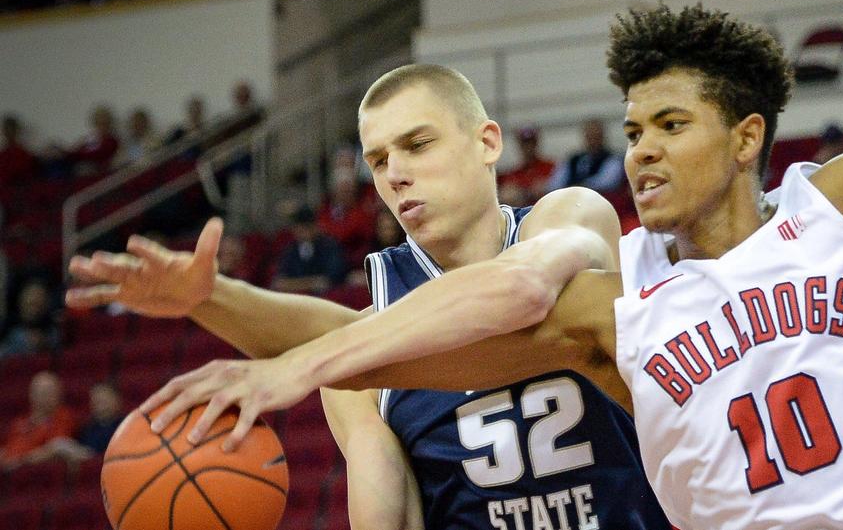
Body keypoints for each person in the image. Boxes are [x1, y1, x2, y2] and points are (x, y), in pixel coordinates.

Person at [69, 0, 843, 528]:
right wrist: (238, 319)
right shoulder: (616, 305)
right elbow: (387, 343)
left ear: (746, 138)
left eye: (670, 124)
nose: (639, 148)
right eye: (631, 128)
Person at [70, 65, 669, 530]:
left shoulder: (571, 215)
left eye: (418, 143)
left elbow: (519, 290)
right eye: (378, 160)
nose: (395, 174)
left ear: (488, 142)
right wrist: (208, 298)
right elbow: (391, 513)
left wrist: (301, 364)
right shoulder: (363, 357)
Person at [0, 372, 78, 470]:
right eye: (37, 392)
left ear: (59, 394)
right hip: (7, 472)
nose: (41, 397)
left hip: (35, 473)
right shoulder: (20, 422)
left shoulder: (63, 417)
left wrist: (21, 462)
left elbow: (56, 448)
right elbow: (7, 448)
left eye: (47, 392)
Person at [271, 206, 349, 295]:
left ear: (316, 227)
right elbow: (280, 282)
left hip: (323, 299)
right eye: (300, 228)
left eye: (307, 227)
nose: (303, 232)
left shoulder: (329, 247)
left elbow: (331, 279)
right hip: (295, 300)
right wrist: (310, 283)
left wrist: (294, 284)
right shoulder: (291, 250)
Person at [545, 118, 625, 195]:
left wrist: (580, 187)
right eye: (589, 136)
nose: (593, 140)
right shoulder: (573, 160)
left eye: (596, 136)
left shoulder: (613, 159)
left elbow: (607, 182)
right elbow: (555, 183)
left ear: (603, 137)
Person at [497, 125, 556, 204]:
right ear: (520, 145)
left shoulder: (551, 167)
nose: (528, 147)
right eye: (525, 143)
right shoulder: (514, 174)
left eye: (531, 143)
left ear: (536, 143)